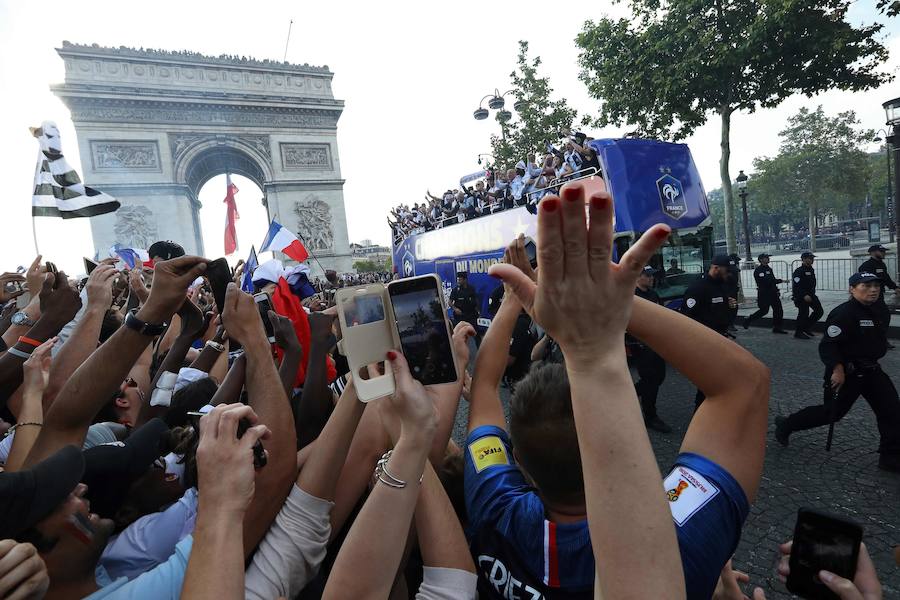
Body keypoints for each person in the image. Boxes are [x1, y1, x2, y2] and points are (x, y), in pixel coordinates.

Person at [472, 180, 769, 600]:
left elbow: (483, 387)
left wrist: (515, 300)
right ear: (625, 441)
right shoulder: (675, 539)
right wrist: (609, 308)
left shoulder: (494, 505)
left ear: (518, 461)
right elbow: (744, 385)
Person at [775, 271, 900, 473]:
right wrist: (838, 369)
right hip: (848, 373)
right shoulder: (844, 313)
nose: (873, 290)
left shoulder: (878, 310)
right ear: (852, 289)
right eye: (866, 286)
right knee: (831, 413)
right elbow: (828, 346)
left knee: (892, 411)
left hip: (872, 371)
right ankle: (788, 424)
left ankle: (890, 457)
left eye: (876, 286)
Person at [681, 255, 737, 407]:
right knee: (707, 384)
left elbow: (718, 310)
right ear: (716, 268)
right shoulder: (698, 288)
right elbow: (687, 318)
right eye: (727, 271)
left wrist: (729, 304)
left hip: (720, 340)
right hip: (705, 343)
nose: (729, 274)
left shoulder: (721, 285)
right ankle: (700, 416)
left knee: (716, 381)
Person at [631, 265, 671, 433]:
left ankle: (627, 394)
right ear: (638, 277)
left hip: (656, 342)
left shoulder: (653, 294)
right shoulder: (631, 296)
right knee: (651, 380)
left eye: (652, 275)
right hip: (640, 345)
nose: (651, 278)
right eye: (647, 275)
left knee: (659, 377)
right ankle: (650, 416)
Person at [859, 244, 897, 337]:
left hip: (879, 295)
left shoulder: (881, 264)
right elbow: (862, 281)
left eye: (884, 251)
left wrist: (895, 287)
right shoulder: (866, 266)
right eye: (882, 251)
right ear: (873, 252)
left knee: (884, 316)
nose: (884, 253)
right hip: (869, 296)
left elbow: (886, 278)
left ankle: (879, 338)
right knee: (876, 317)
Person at [743, 253, 787, 334]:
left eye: (768, 257)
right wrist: (780, 280)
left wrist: (776, 290)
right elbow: (767, 281)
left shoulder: (769, 269)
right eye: (766, 258)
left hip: (773, 293)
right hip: (764, 294)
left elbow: (772, 280)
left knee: (778, 310)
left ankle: (777, 327)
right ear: (761, 260)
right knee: (764, 311)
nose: (768, 259)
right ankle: (748, 319)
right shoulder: (759, 270)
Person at [792, 251, 823, 339]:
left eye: (812, 258)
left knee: (819, 311)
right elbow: (797, 286)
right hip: (801, 296)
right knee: (803, 314)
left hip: (811, 295)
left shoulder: (811, 269)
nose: (812, 260)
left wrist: (811, 294)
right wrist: (804, 295)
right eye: (810, 258)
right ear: (804, 259)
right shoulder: (798, 271)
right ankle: (798, 332)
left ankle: (806, 328)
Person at [449, 271, 480, 345]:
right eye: (458, 279)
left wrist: (478, 310)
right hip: (460, 317)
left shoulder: (471, 289)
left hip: (471, 315)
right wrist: (455, 309)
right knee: (459, 335)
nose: (458, 281)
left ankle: (480, 349)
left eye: (460, 279)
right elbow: (450, 302)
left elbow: (476, 301)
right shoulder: (455, 290)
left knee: (476, 334)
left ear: (465, 280)